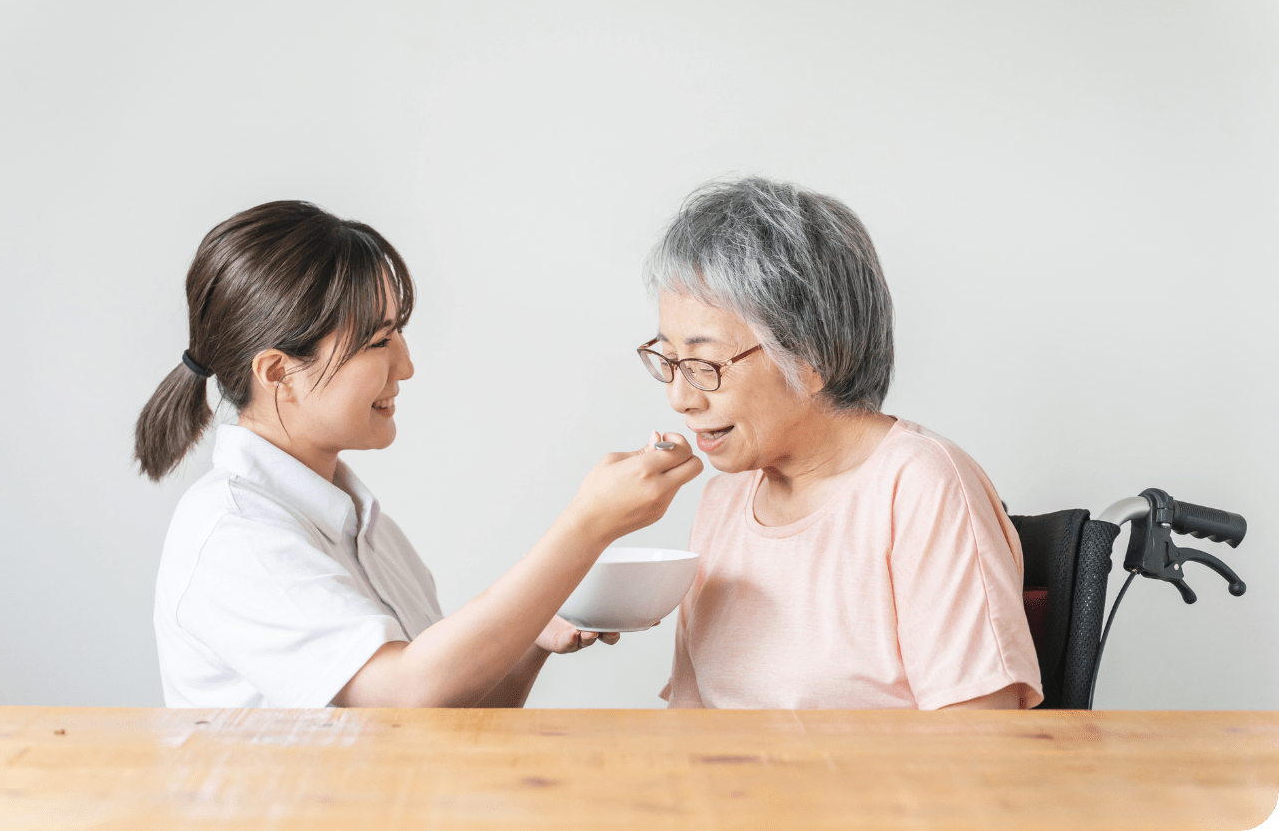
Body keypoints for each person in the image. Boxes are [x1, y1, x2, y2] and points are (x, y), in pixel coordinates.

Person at [136, 200, 701, 708]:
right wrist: (588, 525)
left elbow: (444, 715)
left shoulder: (364, 528)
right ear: (279, 372)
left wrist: (533, 635)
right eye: (379, 341)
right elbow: (405, 695)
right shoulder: (234, 535)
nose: (405, 366)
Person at [639, 177, 1042, 710]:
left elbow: (978, 741)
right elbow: (689, 722)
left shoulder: (919, 486)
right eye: (669, 360)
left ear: (813, 358)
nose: (679, 399)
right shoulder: (723, 500)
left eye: (705, 363)